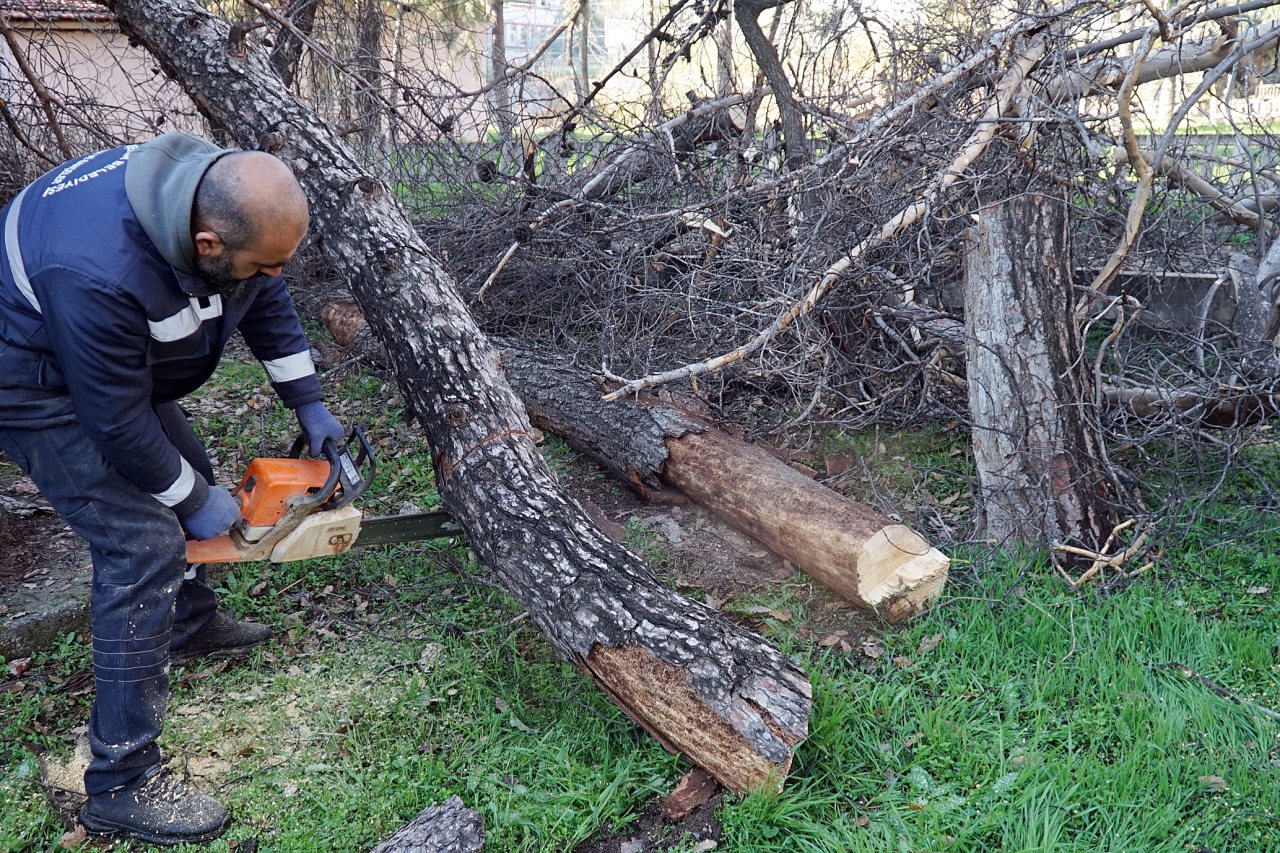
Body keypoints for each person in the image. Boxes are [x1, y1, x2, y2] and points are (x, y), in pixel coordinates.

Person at [0, 133, 345, 845]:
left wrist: (308, 401)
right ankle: (120, 780)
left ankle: (184, 623)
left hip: (107, 360)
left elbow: (263, 291)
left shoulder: (217, 199)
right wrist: (190, 500)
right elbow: (115, 421)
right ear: (208, 243)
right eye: (260, 261)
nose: (274, 272)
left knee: (184, 476)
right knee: (143, 541)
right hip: (32, 376)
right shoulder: (98, 267)